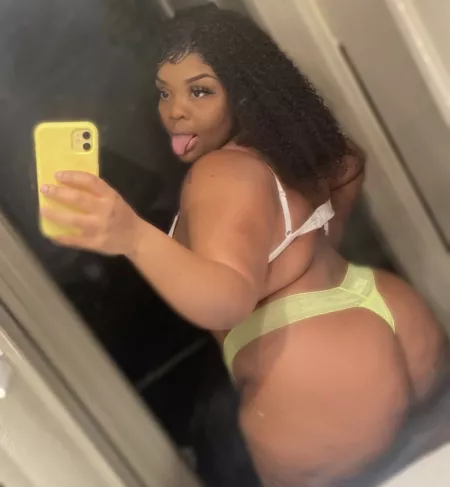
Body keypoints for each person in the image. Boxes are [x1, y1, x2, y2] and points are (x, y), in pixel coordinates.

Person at [39, 5, 449, 487]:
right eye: (165, 92)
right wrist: (301, 258)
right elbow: (346, 168)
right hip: (387, 311)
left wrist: (130, 235)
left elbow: (227, 299)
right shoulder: (283, 143)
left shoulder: (219, 174)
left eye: (199, 91)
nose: (175, 110)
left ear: (243, 90)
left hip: (317, 383)